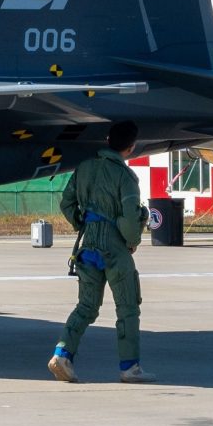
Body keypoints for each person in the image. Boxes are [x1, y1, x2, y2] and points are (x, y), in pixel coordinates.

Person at [49, 120, 151, 384]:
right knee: (127, 308)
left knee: (86, 306)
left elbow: (66, 201)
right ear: (131, 147)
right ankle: (130, 368)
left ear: (108, 140)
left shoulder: (84, 168)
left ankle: (62, 354)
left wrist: (81, 223)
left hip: (88, 245)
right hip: (115, 249)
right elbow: (129, 218)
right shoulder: (125, 177)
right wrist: (133, 239)